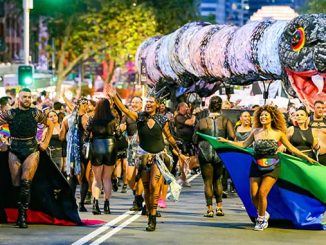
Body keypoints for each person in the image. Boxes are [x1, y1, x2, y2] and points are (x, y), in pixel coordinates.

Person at [218, 105, 317, 231]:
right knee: (253, 194)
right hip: (256, 164)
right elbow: (243, 144)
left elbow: (292, 149)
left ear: (272, 118)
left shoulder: (279, 133)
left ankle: (261, 220)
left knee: (262, 193)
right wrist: (226, 141)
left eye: (266, 115)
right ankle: (263, 213)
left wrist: (306, 158)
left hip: (273, 165)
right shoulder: (255, 131)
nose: (263, 117)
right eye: (261, 115)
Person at [108, 86, 187, 232]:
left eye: (151, 102)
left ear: (157, 105)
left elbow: (169, 137)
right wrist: (115, 97)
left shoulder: (162, 120)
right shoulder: (140, 117)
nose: (148, 104)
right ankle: (149, 212)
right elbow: (125, 111)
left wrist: (179, 153)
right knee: (146, 189)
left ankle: (153, 217)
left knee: (154, 186)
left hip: (158, 157)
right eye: (147, 102)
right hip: (143, 156)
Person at [0, 88, 54, 228]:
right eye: (24, 97)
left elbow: (51, 124)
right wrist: (2, 143)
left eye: (29, 97)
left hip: (31, 149)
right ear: (19, 98)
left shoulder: (36, 113)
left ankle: (22, 216)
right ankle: (17, 212)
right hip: (15, 149)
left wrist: (46, 142)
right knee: (16, 183)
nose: (27, 99)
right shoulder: (10, 113)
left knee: (26, 182)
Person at [194, 96, 235, 218]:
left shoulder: (201, 121)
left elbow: (194, 139)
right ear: (220, 106)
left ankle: (209, 209)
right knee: (218, 180)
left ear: (209, 106)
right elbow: (232, 137)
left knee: (207, 182)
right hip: (220, 152)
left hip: (205, 153)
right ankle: (220, 208)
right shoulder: (225, 120)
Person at [87, 98, 119, 215]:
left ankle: (95, 204)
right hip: (110, 146)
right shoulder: (113, 119)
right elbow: (119, 135)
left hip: (96, 146)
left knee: (97, 178)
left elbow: (86, 136)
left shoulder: (92, 119)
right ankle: (107, 204)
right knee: (107, 178)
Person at [175, 102, 196, 187]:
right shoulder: (178, 117)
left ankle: (183, 177)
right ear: (181, 108)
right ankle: (183, 178)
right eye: (186, 107)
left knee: (192, 160)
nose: (187, 109)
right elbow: (191, 122)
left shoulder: (186, 116)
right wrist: (194, 114)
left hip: (189, 141)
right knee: (183, 161)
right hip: (182, 142)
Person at [310, 101, 326, 165]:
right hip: (310, 155)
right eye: (318, 107)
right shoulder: (307, 121)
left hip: (324, 156)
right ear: (313, 108)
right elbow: (295, 131)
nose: (321, 109)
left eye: (322, 108)